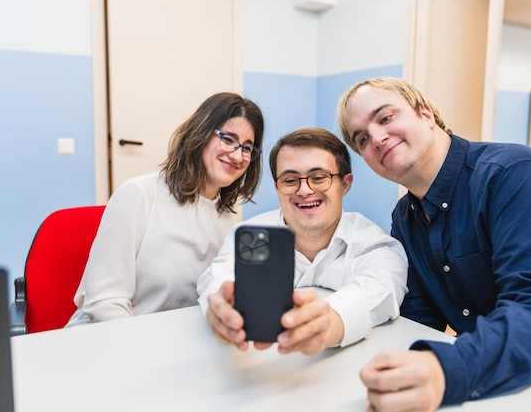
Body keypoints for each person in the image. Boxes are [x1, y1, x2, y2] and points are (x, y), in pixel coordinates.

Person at [336, 76, 531, 411]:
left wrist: (445, 370)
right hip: (489, 385)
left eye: (385, 118)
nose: (375, 138)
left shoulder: (516, 175)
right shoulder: (406, 217)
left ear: (426, 113)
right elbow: (418, 317)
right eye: (361, 139)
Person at [197, 127, 408, 355]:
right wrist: (224, 307)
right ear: (278, 188)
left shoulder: (373, 244)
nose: (305, 190)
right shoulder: (251, 234)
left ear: (345, 184)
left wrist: (330, 322)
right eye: (290, 180)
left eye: (319, 178)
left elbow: (379, 286)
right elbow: (221, 275)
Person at [66, 92, 265, 326]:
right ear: (200, 134)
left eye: (247, 148)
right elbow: (104, 301)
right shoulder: (138, 194)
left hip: (175, 342)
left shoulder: (227, 217)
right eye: (228, 139)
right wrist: (146, 352)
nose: (237, 155)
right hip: (112, 336)